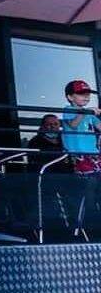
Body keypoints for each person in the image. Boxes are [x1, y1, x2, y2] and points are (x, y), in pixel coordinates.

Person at [61, 79, 101, 239]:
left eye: (87, 94)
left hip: (94, 156)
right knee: (87, 188)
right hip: (78, 157)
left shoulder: (89, 114)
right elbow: (73, 123)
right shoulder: (68, 109)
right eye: (80, 94)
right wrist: (87, 112)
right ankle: (88, 218)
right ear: (70, 97)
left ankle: (94, 212)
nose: (85, 97)